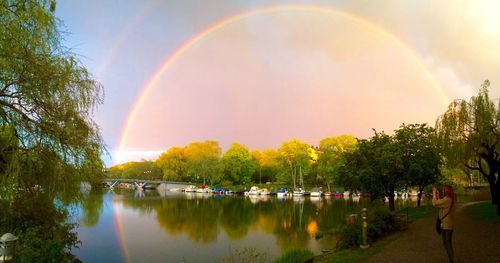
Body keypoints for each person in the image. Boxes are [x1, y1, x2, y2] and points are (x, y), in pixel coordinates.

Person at [432, 185, 455, 263]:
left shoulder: (448, 199)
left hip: (447, 224)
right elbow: (439, 203)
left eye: (443, 190)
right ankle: (450, 260)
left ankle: (451, 261)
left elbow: (434, 203)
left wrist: (434, 194)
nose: (442, 191)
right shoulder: (448, 199)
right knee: (445, 243)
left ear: (447, 191)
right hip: (446, 223)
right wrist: (438, 196)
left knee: (448, 243)